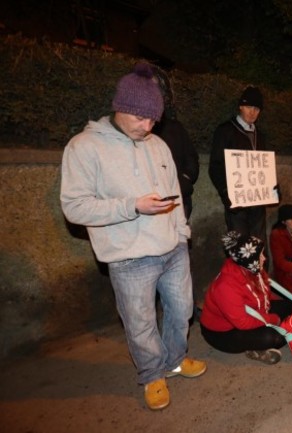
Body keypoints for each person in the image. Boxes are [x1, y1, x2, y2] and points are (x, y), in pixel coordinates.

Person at [60, 63, 206, 411]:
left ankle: (174, 359)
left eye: (154, 119)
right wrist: (132, 206)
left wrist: (182, 233)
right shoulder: (84, 147)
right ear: (120, 107)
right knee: (140, 324)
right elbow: (74, 208)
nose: (148, 126)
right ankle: (152, 374)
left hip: (172, 248)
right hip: (128, 257)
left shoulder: (157, 144)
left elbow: (174, 191)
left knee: (182, 310)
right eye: (142, 118)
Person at [200, 231, 292, 365]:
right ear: (249, 258)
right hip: (222, 333)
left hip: (252, 311)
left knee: (289, 306)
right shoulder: (226, 286)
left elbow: (265, 293)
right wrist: (274, 319)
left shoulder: (251, 268)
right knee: (275, 338)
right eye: (260, 255)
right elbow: (242, 322)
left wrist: (275, 313)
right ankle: (255, 347)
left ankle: (259, 341)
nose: (264, 258)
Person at [208, 86, 270, 242]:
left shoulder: (261, 135)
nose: (252, 112)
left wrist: (273, 188)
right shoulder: (225, 131)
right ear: (241, 106)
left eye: (257, 108)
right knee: (241, 248)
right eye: (249, 107)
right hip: (237, 205)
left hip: (258, 205)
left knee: (259, 247)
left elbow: (265, 166)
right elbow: (215, 166)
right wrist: (225, 191)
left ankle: (259, 268)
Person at [151, 65, 200, 221]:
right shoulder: (134, 132)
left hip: (180, 202)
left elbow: (192, 158)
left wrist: (184, 179)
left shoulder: (175, 128)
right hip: (151, 207)